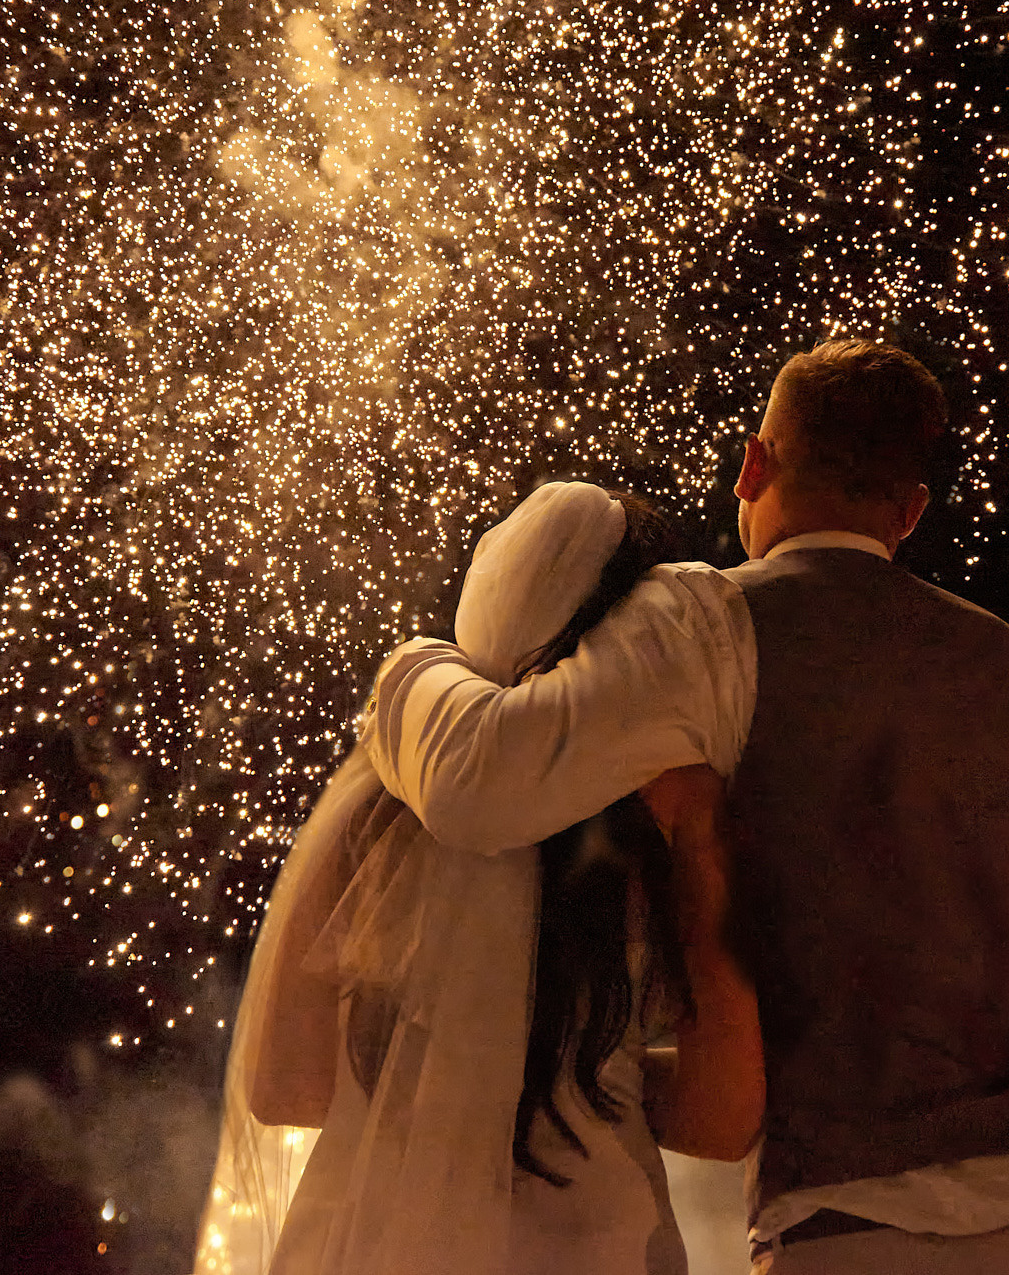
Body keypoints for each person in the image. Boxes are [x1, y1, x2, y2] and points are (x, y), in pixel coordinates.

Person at [363, 340, 1009, 1273]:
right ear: (911, 509)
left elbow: (479, 783)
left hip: (873, 1233)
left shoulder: (708, 621)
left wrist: (412, 668)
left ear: (753, 465)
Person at [193, 482, 764, 1275]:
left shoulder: (381, 798)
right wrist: (597, 1081)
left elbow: (284, 1083)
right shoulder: (660, 818)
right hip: (597, 1246)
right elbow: (721, 1117)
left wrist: (428, 1090)